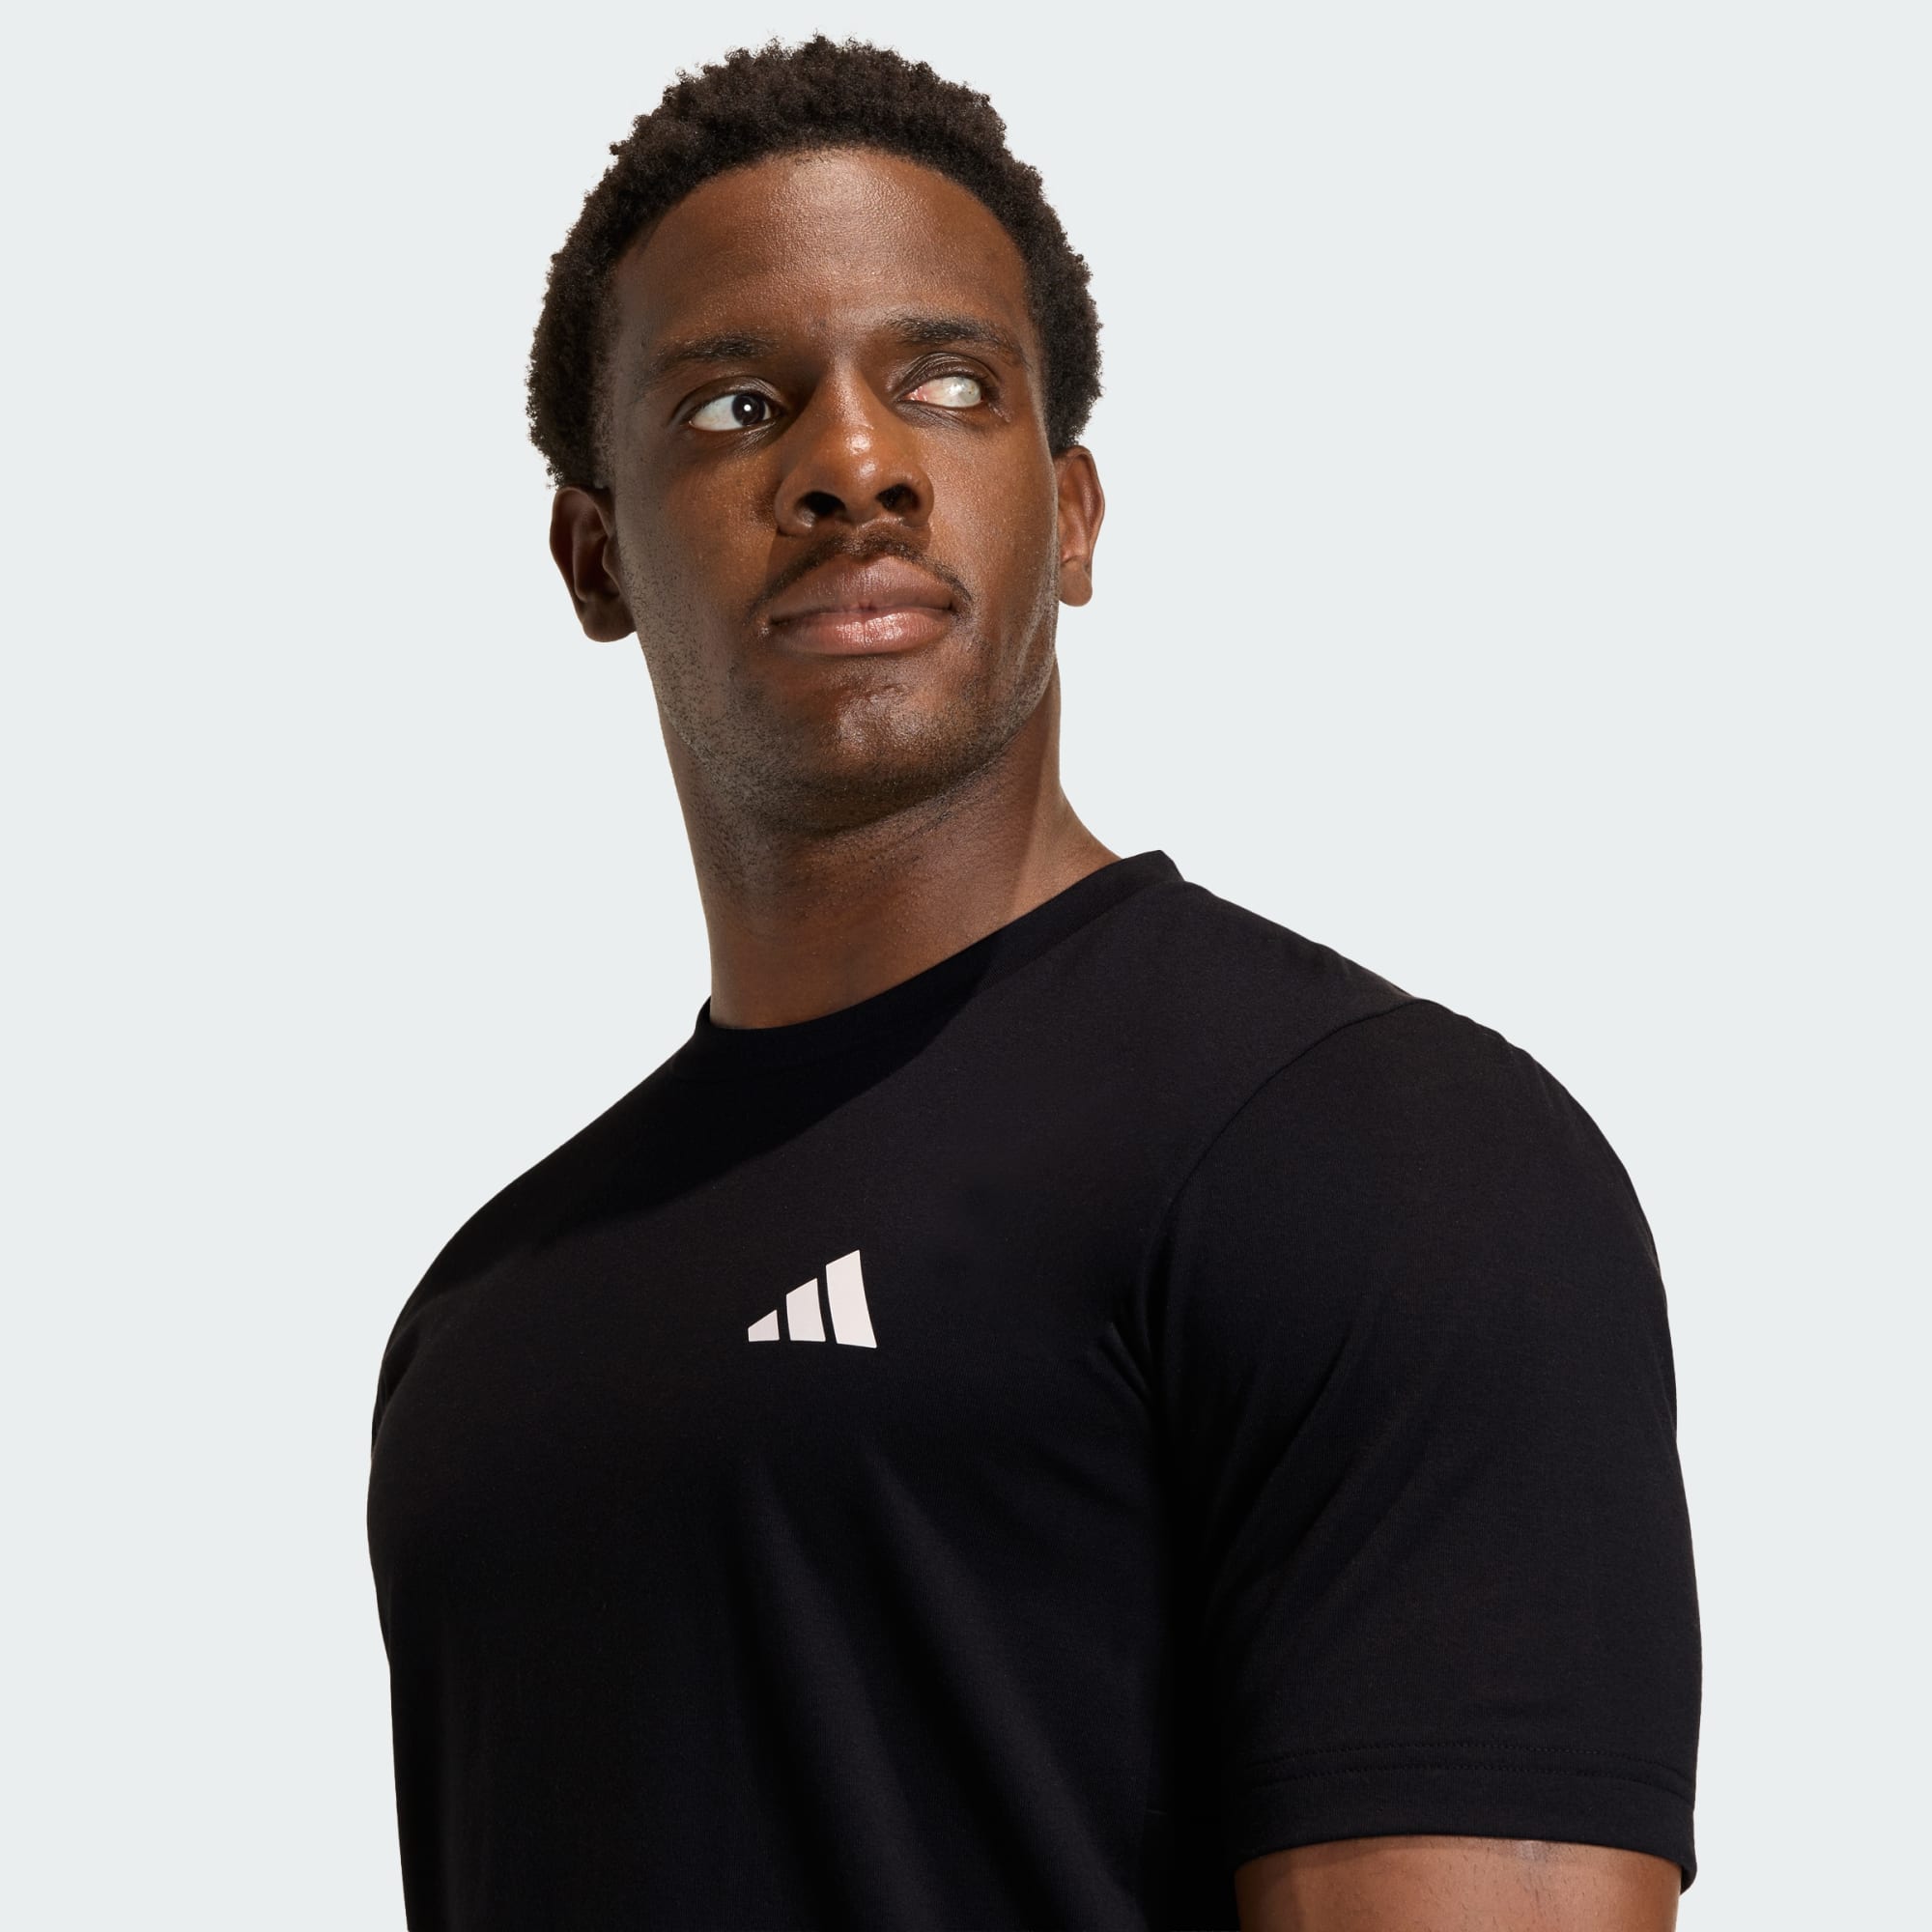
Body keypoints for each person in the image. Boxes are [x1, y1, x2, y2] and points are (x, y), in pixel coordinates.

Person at [366, 36, 1700, 1931]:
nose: (855, 464)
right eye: (737, 405)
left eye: (947, 385)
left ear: (1070, 515)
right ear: (595, 558)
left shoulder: (1379, 1157)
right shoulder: (481, 1328)